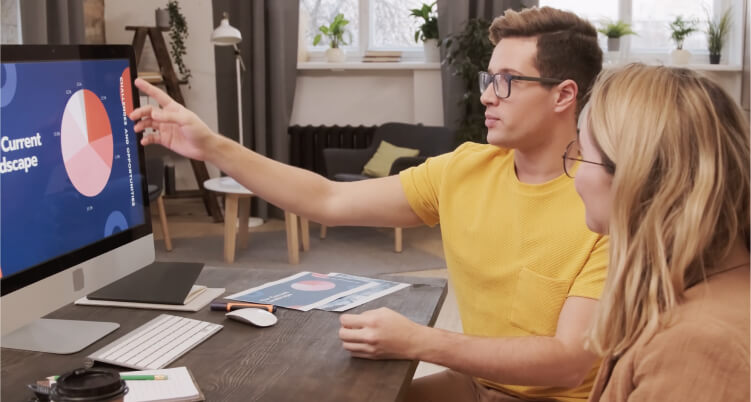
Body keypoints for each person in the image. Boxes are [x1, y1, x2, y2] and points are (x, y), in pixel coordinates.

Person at [129, 7, 608, 401]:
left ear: (563, 95)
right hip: (474, 385)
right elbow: (328, 198)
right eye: (488, 78)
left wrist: (420, 341)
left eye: (506, 81)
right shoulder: (466, 169)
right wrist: (211, 146)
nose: (486, 96)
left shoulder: (606, 206)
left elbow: (568, 362)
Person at [568, 64, 750, 402]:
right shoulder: (699, 291)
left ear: (634, 176)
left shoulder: (697, 346)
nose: (576, 177)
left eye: (582, 156)